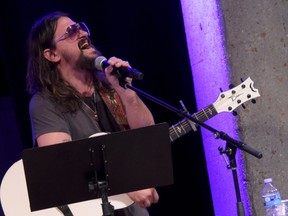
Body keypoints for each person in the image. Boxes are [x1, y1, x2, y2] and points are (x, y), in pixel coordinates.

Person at [26, 11, 159, 216]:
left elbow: (147, 135)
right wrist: (123, 182)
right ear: (52, 55)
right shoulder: (45, 103)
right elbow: (60, 165)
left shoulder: (110, 85)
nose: (81, 33)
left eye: (80, 27)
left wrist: (127, 93)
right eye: (70, 31)